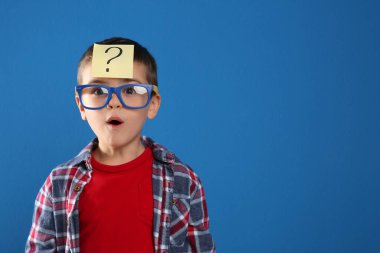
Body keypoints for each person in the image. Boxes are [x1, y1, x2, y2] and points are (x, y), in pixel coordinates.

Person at [25, 37, 215, 253]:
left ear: (152, 105)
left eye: (131, 90)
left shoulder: (184, 181)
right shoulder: (58, 184)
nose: (114, 102)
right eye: (98, 91)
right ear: (81, 106)